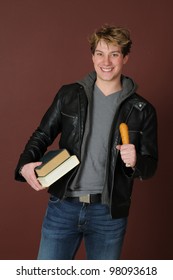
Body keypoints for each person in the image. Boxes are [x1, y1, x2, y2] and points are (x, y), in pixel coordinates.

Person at [15, 25, 158, 260]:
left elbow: (150, 164)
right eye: (100, 53)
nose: (107, 61)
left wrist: (136, 162)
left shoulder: (142, 110)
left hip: (109, 214)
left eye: (114, 54)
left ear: (125, 58)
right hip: (63, 207)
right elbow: (42, 134)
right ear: (92, 57)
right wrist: (24, 165)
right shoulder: (69, 95)